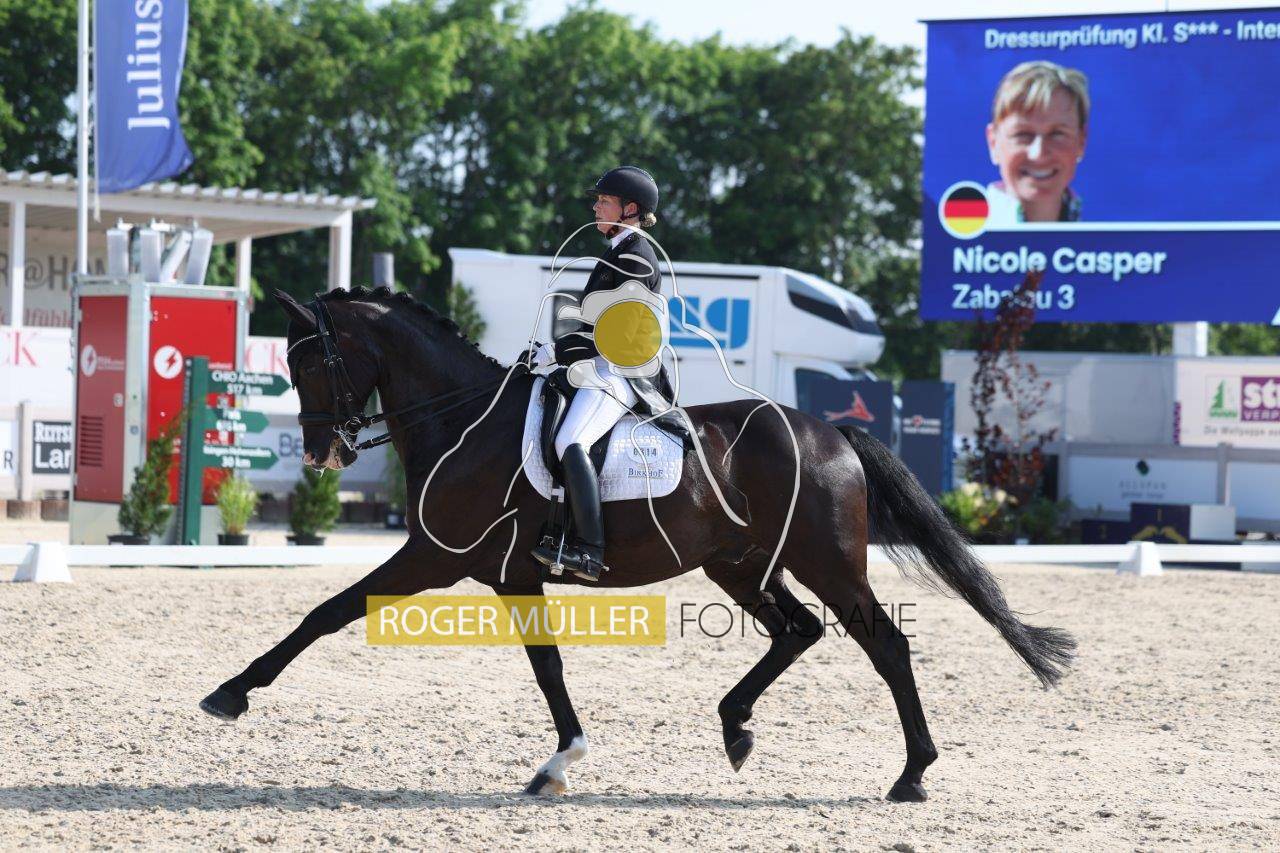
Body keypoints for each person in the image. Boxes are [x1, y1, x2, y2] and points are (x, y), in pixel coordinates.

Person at [527, 165, 685, 581]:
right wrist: (551, 351)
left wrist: (559, 350)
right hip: (600, 366)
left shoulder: (637, 257)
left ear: (630, 209)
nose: (596, 207)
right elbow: (594, 323)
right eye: (597, 200)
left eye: (604, 200)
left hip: (623, 373)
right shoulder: (617, 252)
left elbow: (620, 334)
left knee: (570, 439)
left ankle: (589, 550)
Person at [985, 61, 1089, 224]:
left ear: (1081, 141)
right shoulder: (956, 236)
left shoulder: (1106, 238)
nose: (1038, 154)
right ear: (993, 143)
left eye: (1057, 134)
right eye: (1023, 134)